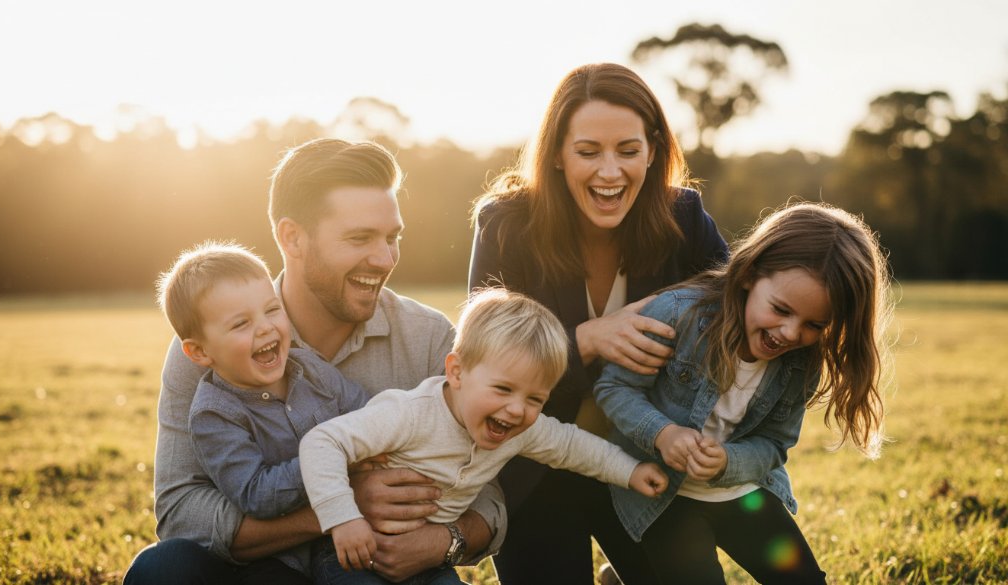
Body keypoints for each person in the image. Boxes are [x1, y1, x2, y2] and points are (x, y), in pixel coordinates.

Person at [125, 139, 504, 585]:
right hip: (258, 571)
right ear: (292, 238)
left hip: (379, 566)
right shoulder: (211, 347)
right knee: (162, 570)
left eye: (391, 237)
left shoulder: (429, 339)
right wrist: (337, 504)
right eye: (360, 238)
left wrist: (445, 542)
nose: (384, 259)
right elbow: (180, 511)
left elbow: (489, 496)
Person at [469, 62, 728, 583]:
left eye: (627, 151)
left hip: (646, 465)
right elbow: (483, 363)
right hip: (534, 466)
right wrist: (585, 340)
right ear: (559, 156)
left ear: (653, 150)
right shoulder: (507, 224)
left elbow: (738, 314)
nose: (610, 173)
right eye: (588, 152)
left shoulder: (685, 218)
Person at [593, 201, 894, 584]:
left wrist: (726, 462)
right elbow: (614, 386)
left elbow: (774, 444)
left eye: (814, 324)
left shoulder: (802, 361)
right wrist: (662, 433)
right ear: (750, 273)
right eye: (781, 309)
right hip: (663, 496)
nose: (790, 333)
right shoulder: (677, 314)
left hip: (743, 494)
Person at [299, 289, 669, 584]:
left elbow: (574, 446)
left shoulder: (520, 429)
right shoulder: (410, 414)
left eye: (535, 399)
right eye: (503, 389)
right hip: (355, 554)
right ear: (457, 373)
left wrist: (631, 472)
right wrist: (343, 518)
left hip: (424, 561)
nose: (517, 410)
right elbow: (322, 442)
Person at [153, 240, 370, 577]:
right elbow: (257, 494)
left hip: (357, 535)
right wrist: (333, 457)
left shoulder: (310, 368)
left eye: (272, 310)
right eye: (241, 324)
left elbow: (363, 411)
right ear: (199, 353)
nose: (266, 327)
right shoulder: (214, 414)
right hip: (280, 561)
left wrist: (384, 435)